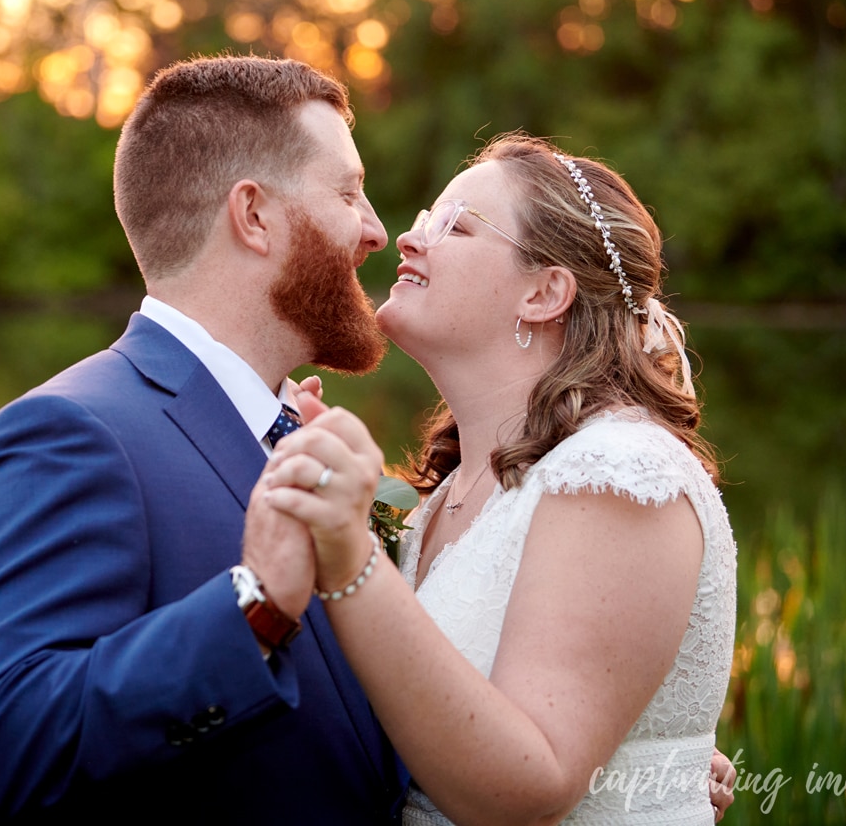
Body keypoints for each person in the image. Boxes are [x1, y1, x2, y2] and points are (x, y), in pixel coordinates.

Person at [0, 55, 407, 824]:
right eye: (348, 193)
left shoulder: (296, 430)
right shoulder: (69, 432)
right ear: (254, 215)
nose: (375, 230)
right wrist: (254, 608)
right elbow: (4, 746)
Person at [259, 134, 739, 825]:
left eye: (453, 226)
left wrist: (348, 554)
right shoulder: (441, 502)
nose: (408, 238)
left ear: (545, 293)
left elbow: (532, 786)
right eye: (425, 218)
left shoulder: (619, 475)